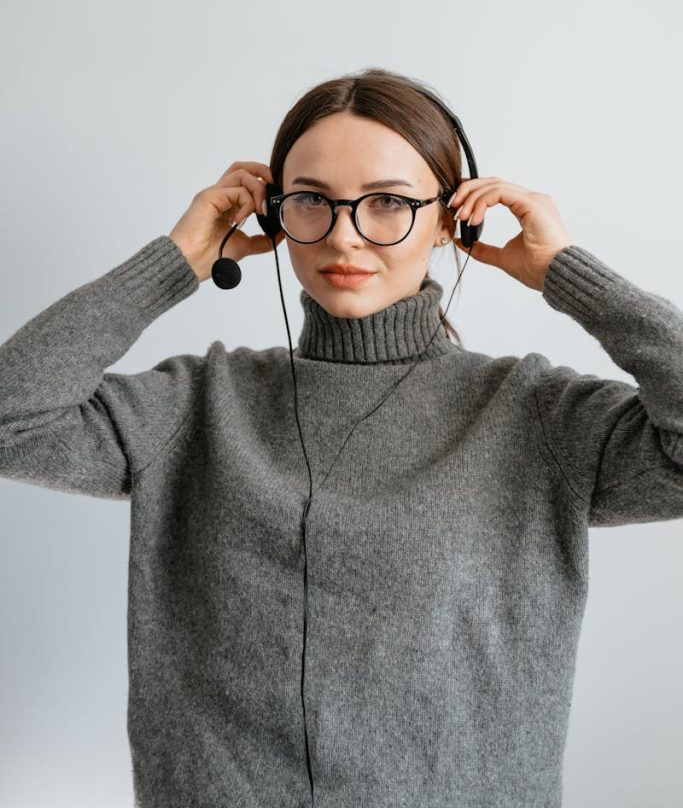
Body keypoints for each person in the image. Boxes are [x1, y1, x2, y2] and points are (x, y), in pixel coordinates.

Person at [1, 66, 682, 808]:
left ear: (455, 219)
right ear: (270, 214)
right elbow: (13, 419)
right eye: (311, 202)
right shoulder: (196, 405)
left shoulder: (536, 416)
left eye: (388, 202)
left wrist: (567, 274)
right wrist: (177, 261)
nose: (344, 235)